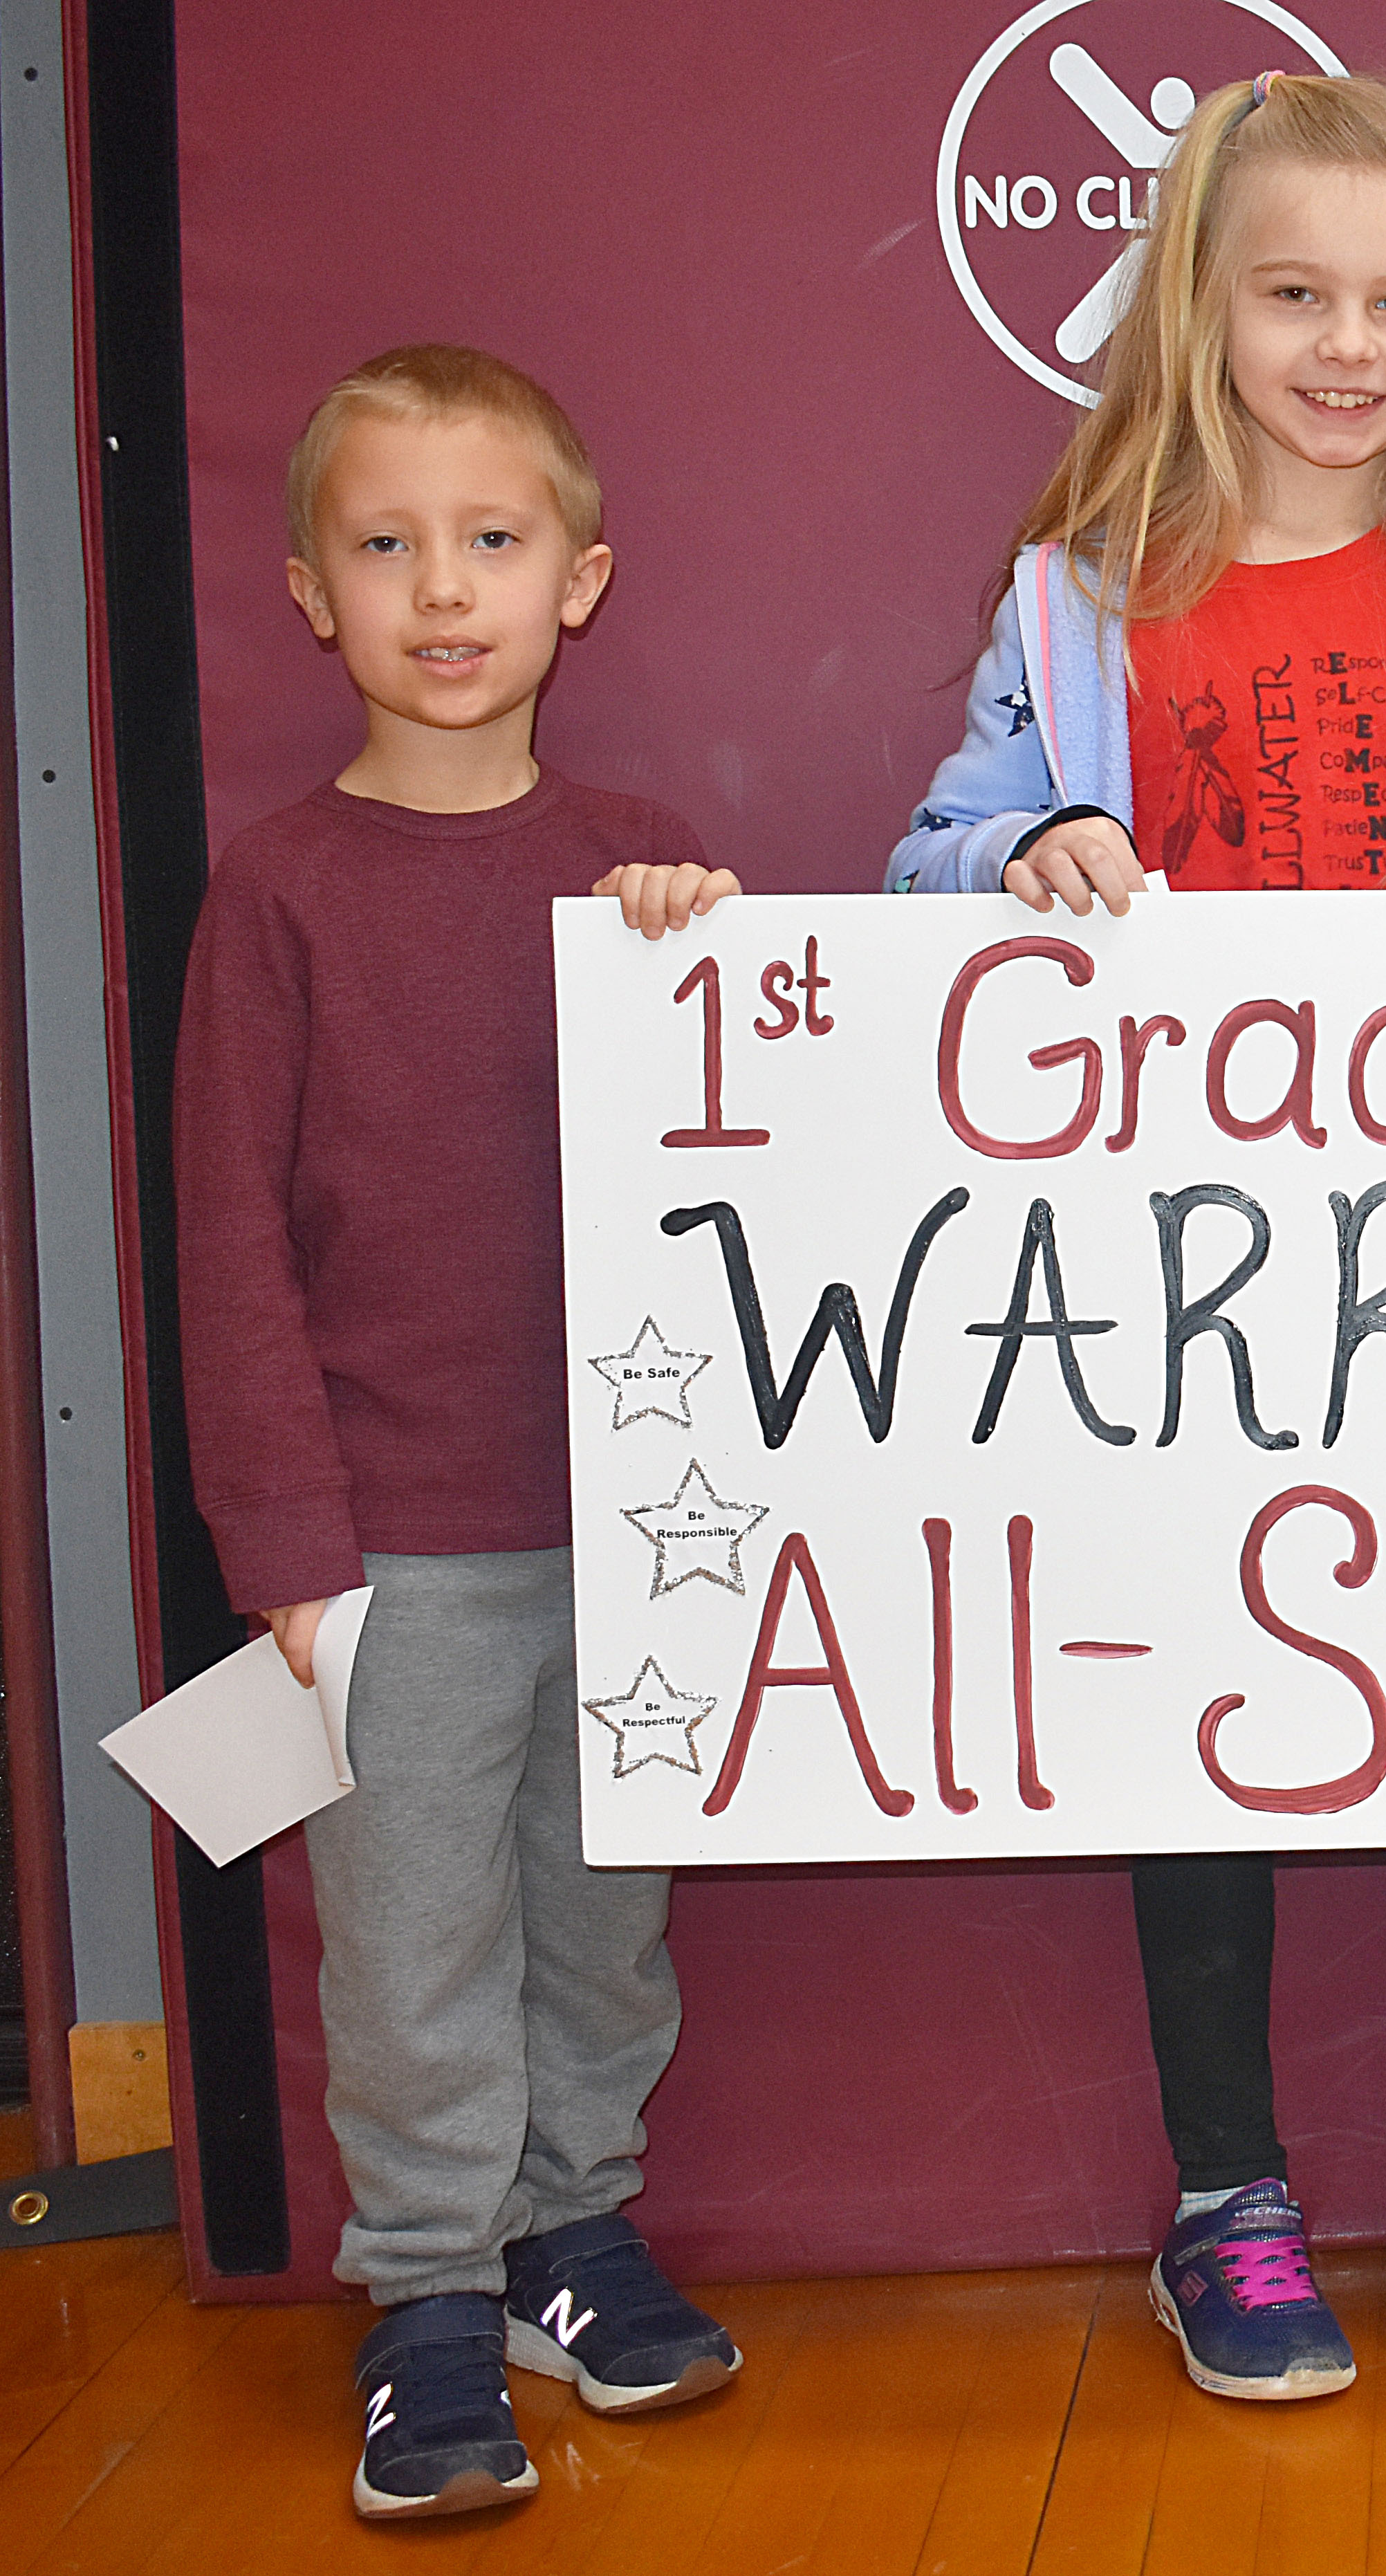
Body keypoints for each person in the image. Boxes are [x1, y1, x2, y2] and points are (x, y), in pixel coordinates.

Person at [887, 71, 1386, 2400]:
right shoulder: (1078, 592)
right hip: (1179, 1283)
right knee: (1193, 1726)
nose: (1349, 346)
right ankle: (1229, 2194)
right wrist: (1016, 859)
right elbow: (942, 846)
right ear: (1197, 306)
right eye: (1298, 296)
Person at [176, 344, 747, 2520]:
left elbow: (751, 1163)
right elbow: (231, 1240)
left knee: (606, 1917)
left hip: (639, 1514)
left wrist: (702, 951)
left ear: (577, 581)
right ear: (312, 593)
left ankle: (569, 2239)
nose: (443, 588)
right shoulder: (284, 890)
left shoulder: (642, 867)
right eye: (386, 544)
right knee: (411, 1939)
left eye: (491, 541)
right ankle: (427, 2291)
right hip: (384, 1551)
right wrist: (289, 1549)